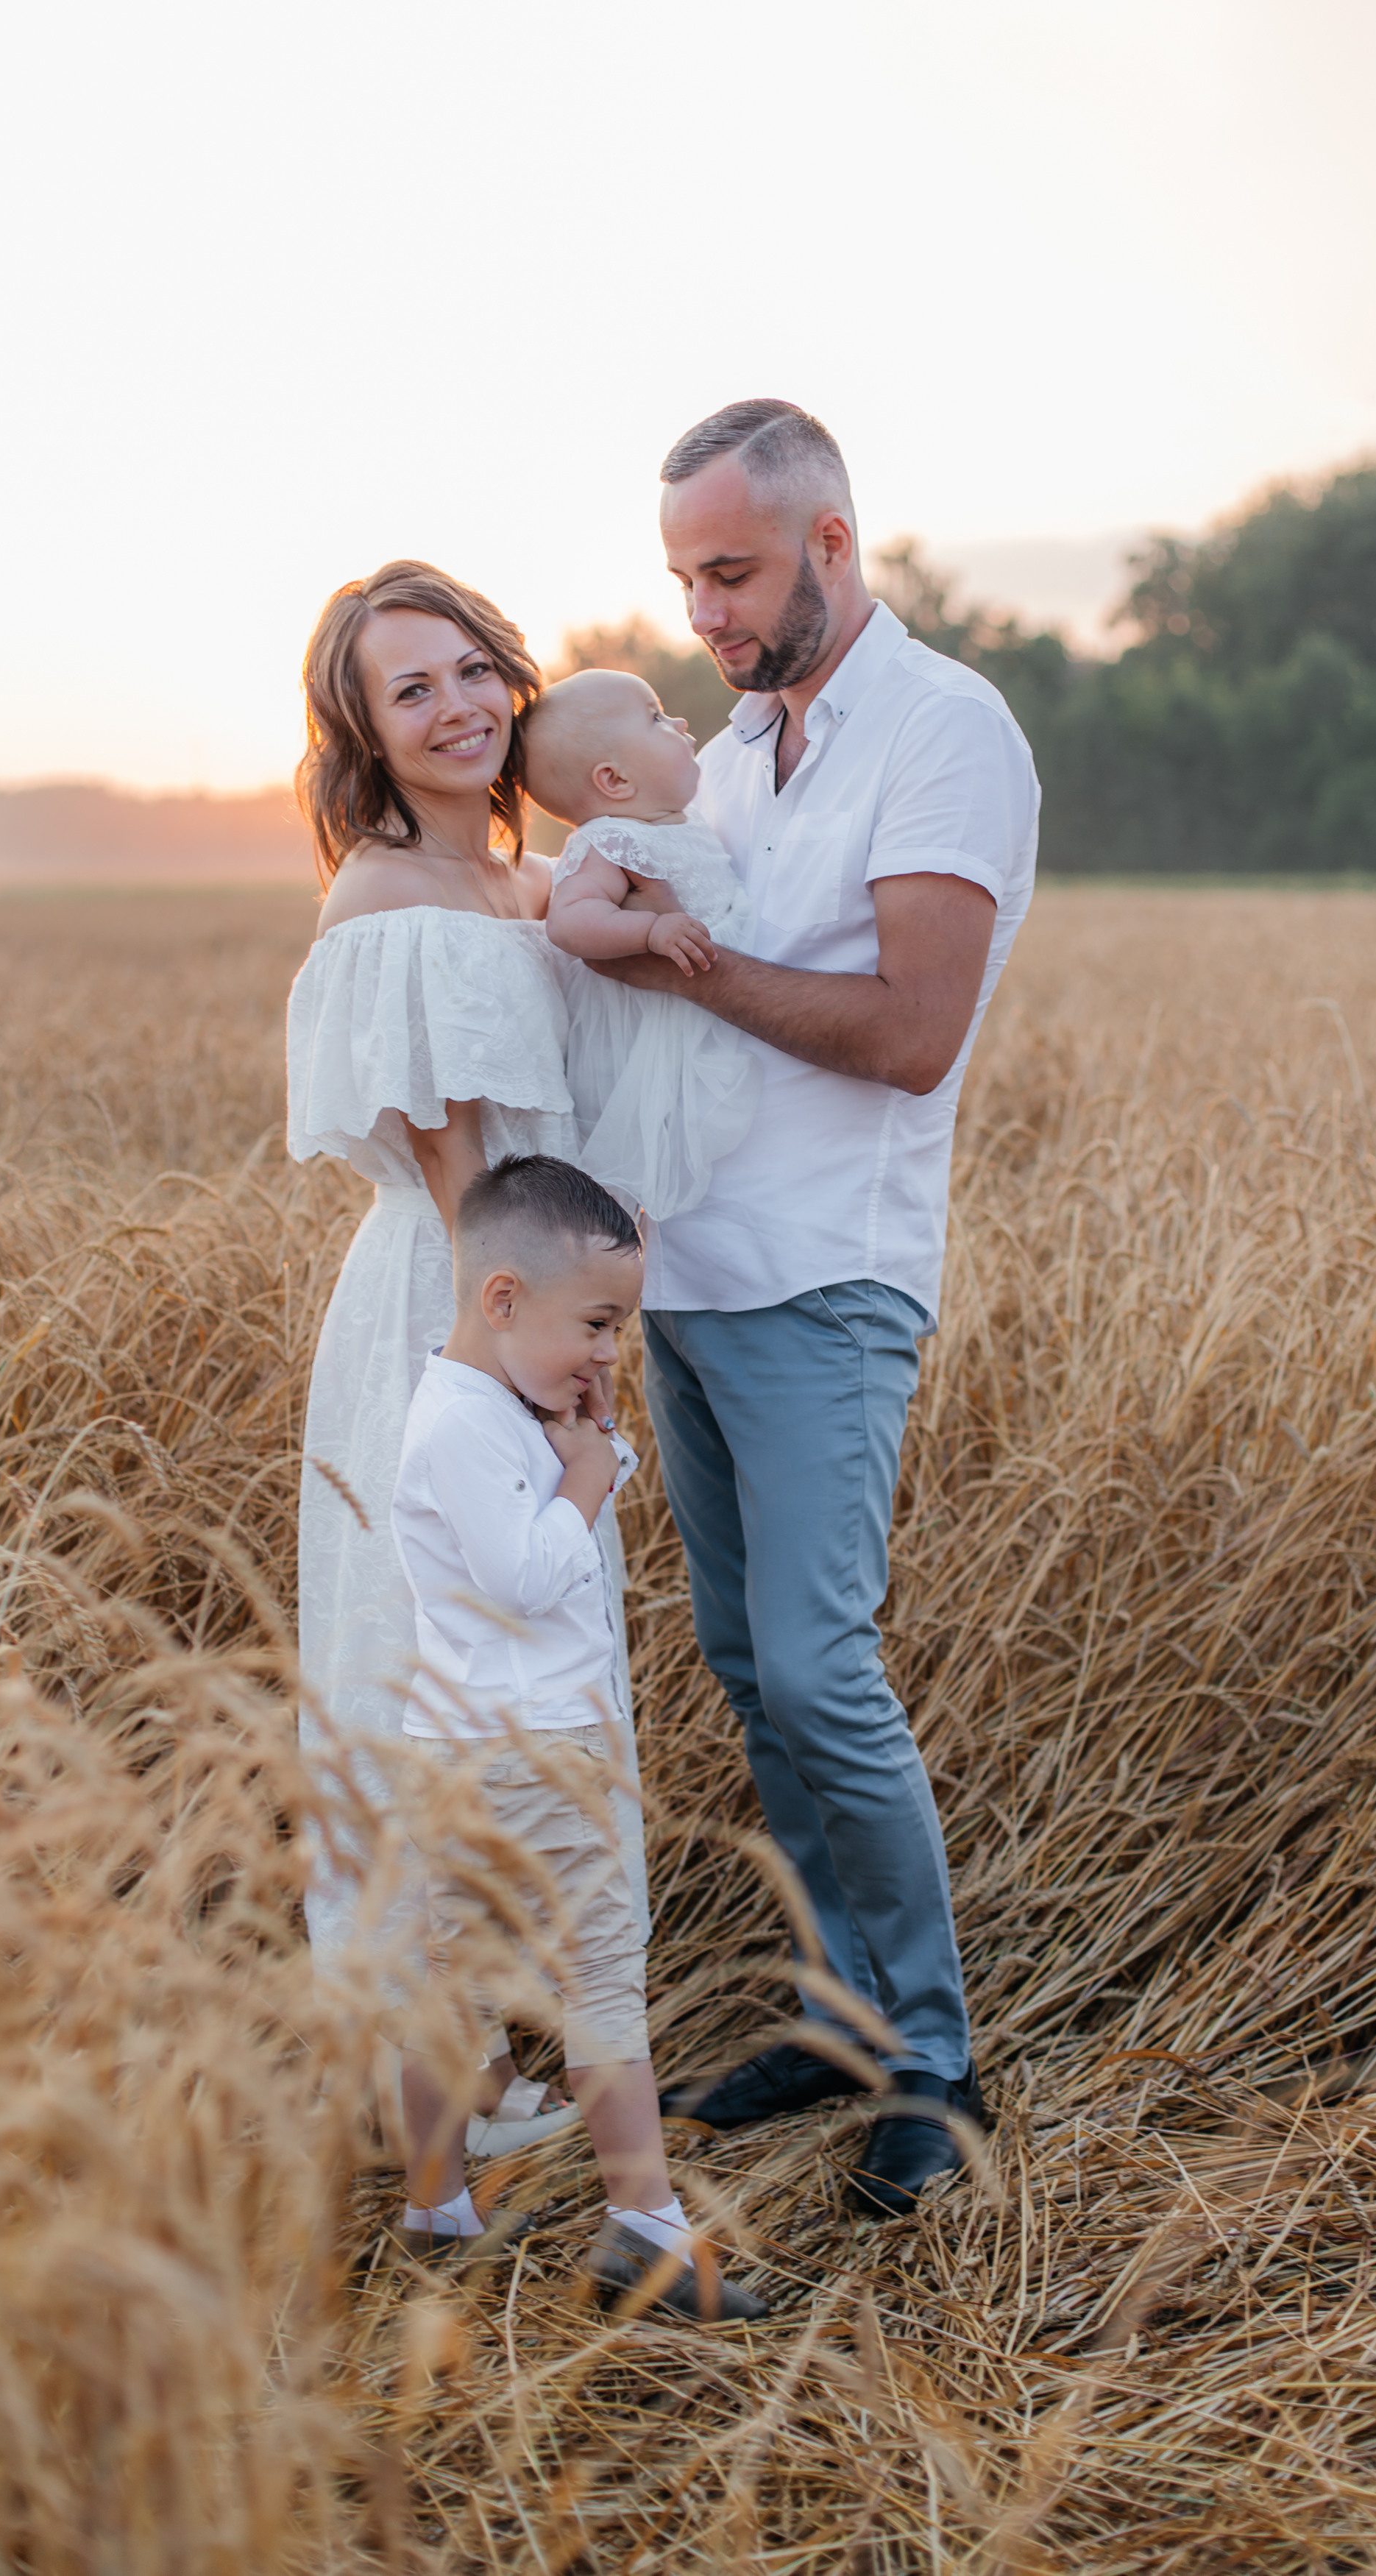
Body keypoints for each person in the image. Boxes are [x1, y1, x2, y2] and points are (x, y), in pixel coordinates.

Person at [597, 400, 1040, 2218]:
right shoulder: (732, 752)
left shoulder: (944, 730)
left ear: (831, 545)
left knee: (819, 1669)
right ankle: (837, 2015)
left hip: (827, 1281)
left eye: (730, 572)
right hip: (689, 1276)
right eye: (683, 579)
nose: (702, 612)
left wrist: (686, 967)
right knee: (746, 1666)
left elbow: (910, 1033)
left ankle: (932, 2062)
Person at [285, 561, 648, 2162]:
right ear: (365, 733)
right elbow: (460, 1183)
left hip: (527, 1298)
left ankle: (482, 2043)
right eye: (409, 690)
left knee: (521, 1662)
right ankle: (425, 2081)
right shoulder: (385, 899)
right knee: (423, 1665)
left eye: (470, 670)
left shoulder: (518, 883)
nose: (455, 708)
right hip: (452, 1312)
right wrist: (523, 1365)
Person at [391, 1153, 767, 2322]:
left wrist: (588, 1443)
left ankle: (435, 2206)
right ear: (502, 1298)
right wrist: (593, 1473)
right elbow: (523, 1578)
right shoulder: (465, 1425)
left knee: (450, 1987)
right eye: (598, 1324)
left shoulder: (485, 1403)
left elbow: (553, 1505)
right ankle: (646, 2235)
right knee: (599, 1977)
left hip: (471, 1751)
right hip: (535, 1751)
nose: (610, 1352)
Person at [525, 667, 759, 1219]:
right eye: (656, 718)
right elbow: (570, 922)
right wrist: (649, 932)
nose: (679, 722)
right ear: (614, 780)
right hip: (635, 1033)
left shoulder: (686, 824)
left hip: (690, 1017)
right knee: (633, 1158)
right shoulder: (612, 839)